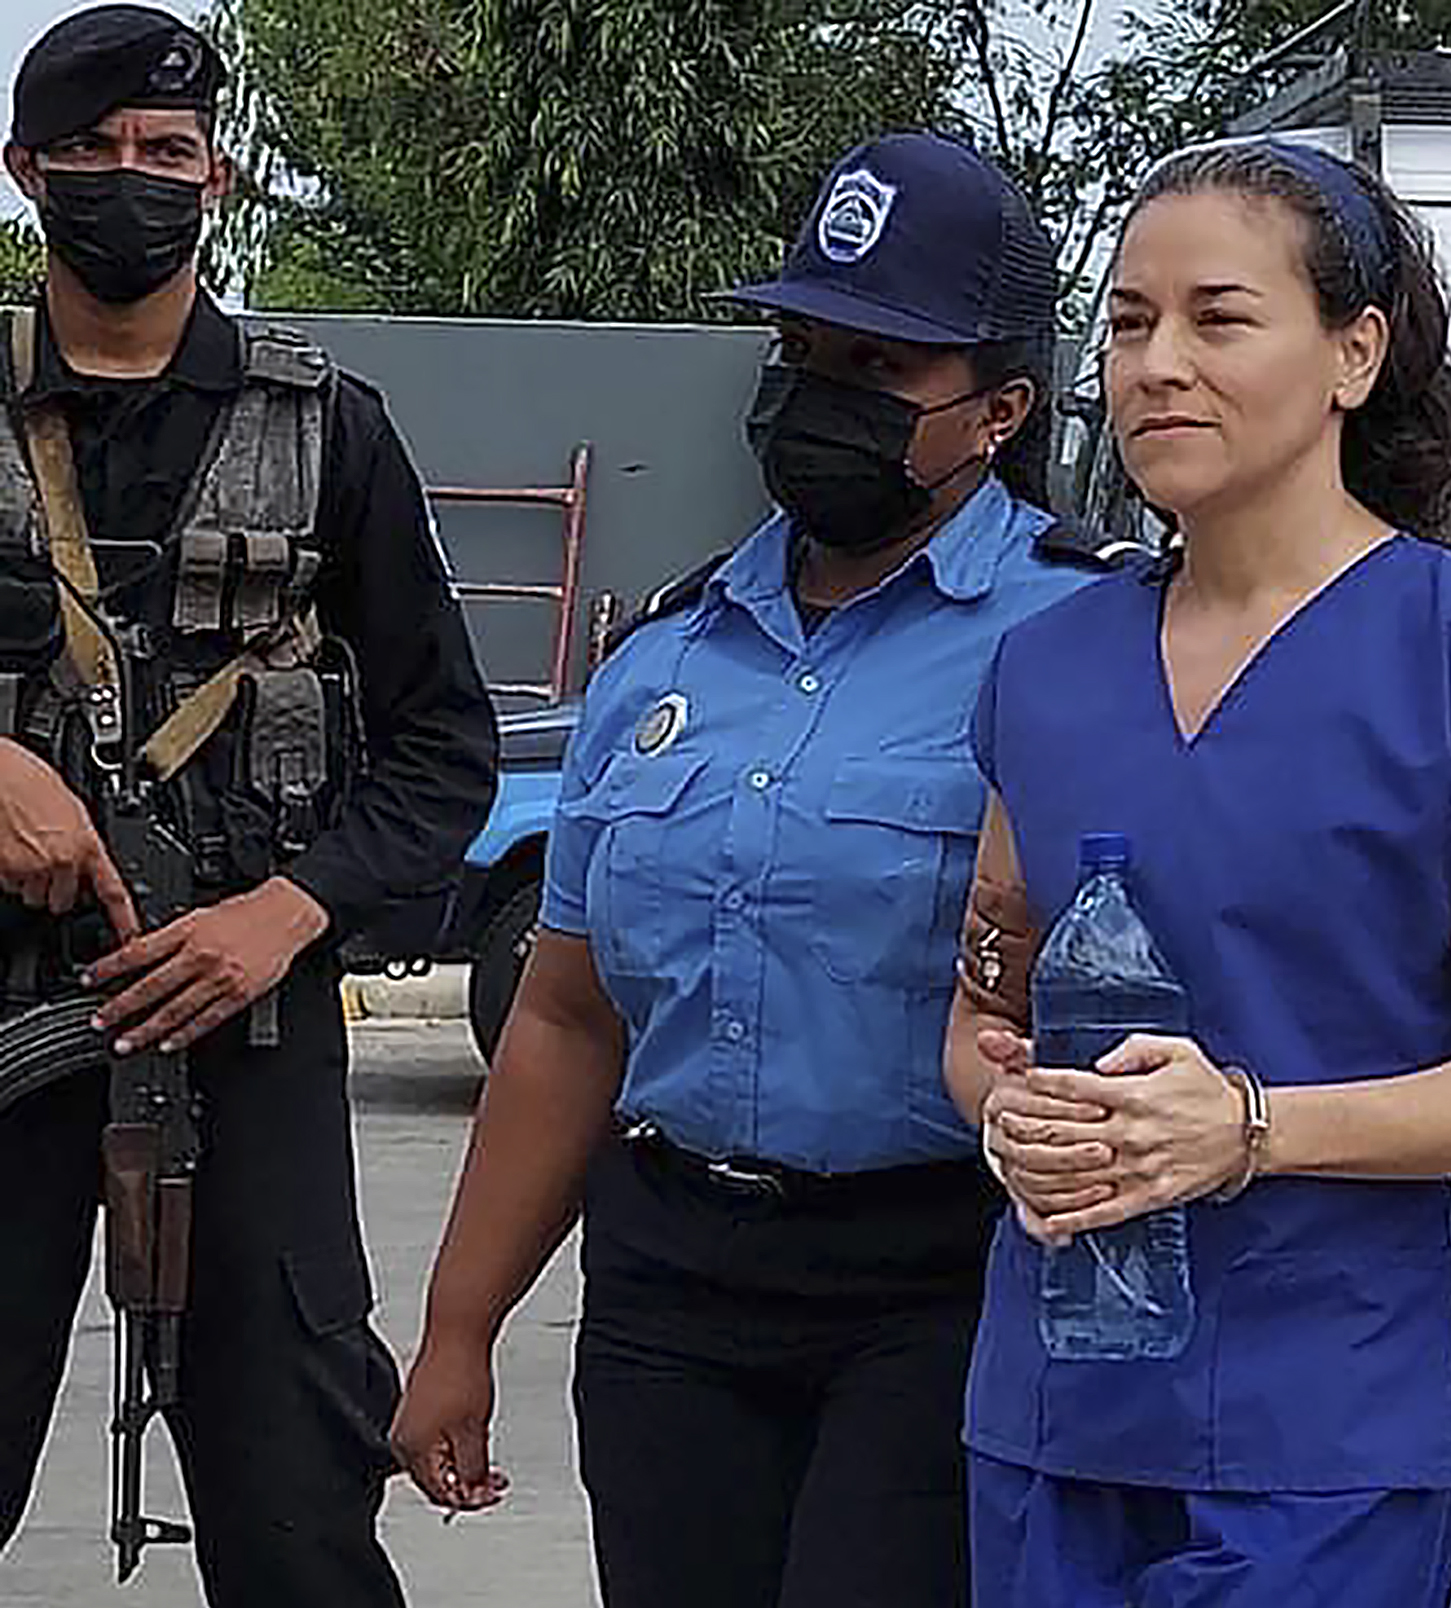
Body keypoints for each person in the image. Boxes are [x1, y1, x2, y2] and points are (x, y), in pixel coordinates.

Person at [941, 138, 1451, 1608]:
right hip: (1054, 1426)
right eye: (1130, 322)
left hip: (1320, 1442)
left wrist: (1256, 1127)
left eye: (1218, 319)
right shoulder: (1045, 668)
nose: (1157, 365)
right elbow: (982, 1014)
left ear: (1354, 354)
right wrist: (1007, 1112)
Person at [387, 132, 1123, 1608]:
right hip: (669, 1279)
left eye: (878, 366)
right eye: (799, 347)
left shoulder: (1084, 643)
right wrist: (459, 1327)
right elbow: (566, 1020)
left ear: (1000, 409)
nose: (816, 396)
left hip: (937, 1282)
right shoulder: (665, 654)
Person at [0, 6, 497, 1605]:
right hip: (9, 1015)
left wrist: (285, 917)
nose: (129, 184)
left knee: (295, 1505)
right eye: (90, 157)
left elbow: (442, 752)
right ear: (26, 175)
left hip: (252, 1035)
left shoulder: (328, 429)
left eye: (165, 155)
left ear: (216, 174)